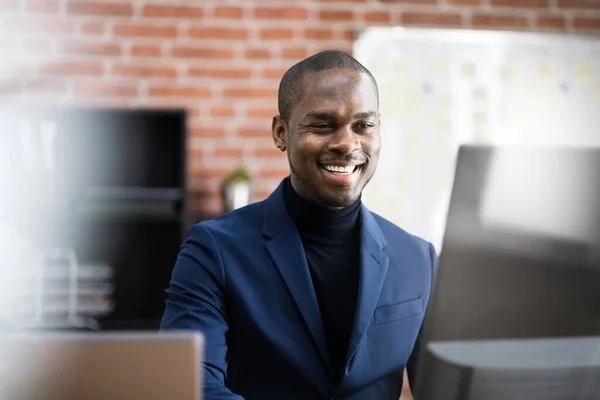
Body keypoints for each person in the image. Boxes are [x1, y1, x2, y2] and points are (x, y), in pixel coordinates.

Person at [160, 50, 438, 400]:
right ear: (281, 133)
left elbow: (448, 386)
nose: (346, 144)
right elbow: (189, 382)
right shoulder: (213, 249)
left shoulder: (418, 257)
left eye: (363, 126)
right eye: (322, 125)